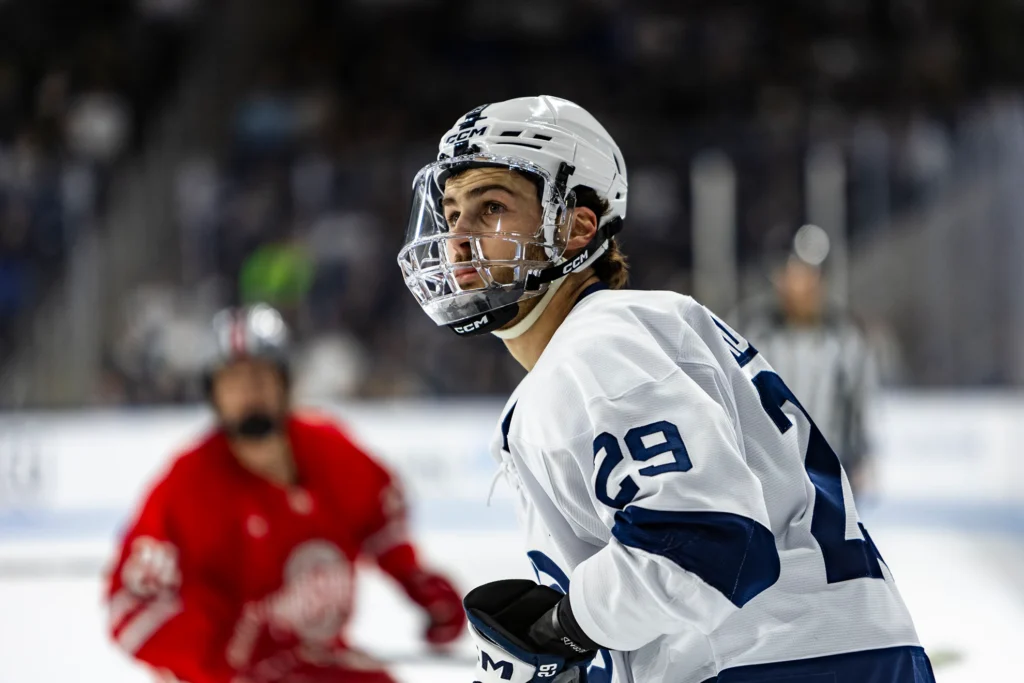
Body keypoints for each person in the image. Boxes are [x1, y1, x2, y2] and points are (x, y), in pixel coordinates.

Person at [396, 96, 934, 683]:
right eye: (451, 213)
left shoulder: (601, 347)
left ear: (575, 228)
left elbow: (707, 542)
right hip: (828, 656)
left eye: (492, 207)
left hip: (777, 664)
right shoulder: (627, 334)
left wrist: (562, 627)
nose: (457, 238)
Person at [105, 304, 464, 683]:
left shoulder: (333, 454)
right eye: (233, 380)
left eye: (261, 376)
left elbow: (380, 516)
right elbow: (130, 610)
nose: (249, 392)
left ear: (285, 384)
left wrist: (414, 578)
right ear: (214, 394)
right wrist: (226, 656)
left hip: (318, 663)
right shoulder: (186, 487)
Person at [733, 225, 879, 497]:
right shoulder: (752, 330)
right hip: (766, 475)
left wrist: (862, 456)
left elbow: (859, 402)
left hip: (827, 476)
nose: (803, 284)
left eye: (811, 274)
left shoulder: (844, 335)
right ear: (780, 277)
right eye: (795, 274)